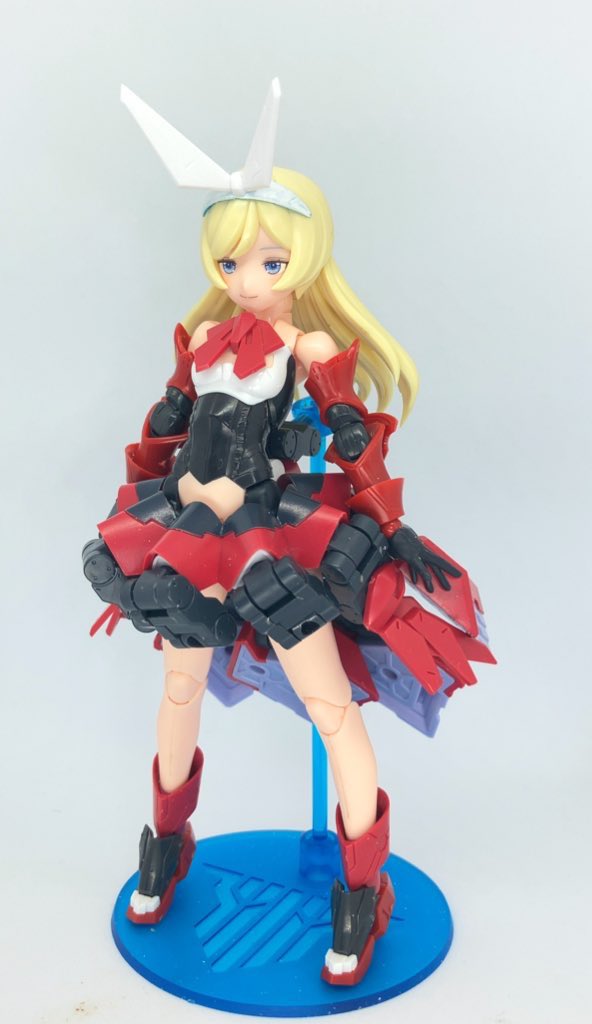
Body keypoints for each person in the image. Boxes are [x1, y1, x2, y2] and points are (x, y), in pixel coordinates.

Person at [83, 83, 492, 987]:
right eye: (233, 261)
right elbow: (161, 436)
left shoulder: (306, 351)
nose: (247, 279)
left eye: (268, 262)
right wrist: (141, 502)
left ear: (302, 261)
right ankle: (167, 845)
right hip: (190, 530)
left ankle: (362, 890)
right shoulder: (201, 337)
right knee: (179, 690)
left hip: (267, 536)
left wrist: (387, 521)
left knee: (329, 706)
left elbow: (353, 439)